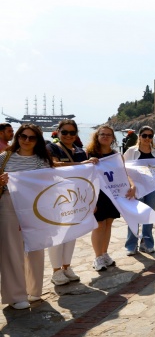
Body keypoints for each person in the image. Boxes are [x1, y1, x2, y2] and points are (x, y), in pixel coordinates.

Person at [0, 124, 53, 309]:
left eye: (32, 137)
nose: (27, 140)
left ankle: (34, 290)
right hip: (8, 205)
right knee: (11, 251)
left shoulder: (41, 161)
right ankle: (16, 295)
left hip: (34, 206)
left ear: (38, 140)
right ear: (17, 137)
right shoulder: (4, 158)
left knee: (35, 248)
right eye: (23, 136)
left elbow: (49, 184)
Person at [47, 119, 98, 285]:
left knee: (71, 234)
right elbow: (53, 166)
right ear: (58, 132)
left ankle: (67, 266)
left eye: (72, 133)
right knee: (57, 234)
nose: (68, 136)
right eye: (65, 132)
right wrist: (80, 164)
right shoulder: (52, 147)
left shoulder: (80, 151)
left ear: (76, 134)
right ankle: (56, 271)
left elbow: (86, 178)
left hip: (76, 198)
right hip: (57, 197)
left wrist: (91, 201)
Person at [86, 125, 136, 271]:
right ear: (97, 136)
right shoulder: (90, 154)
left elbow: (124, 173)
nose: (105, 137)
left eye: (109, 135)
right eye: (102, 134)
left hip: (113, 194)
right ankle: (97, 257)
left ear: (113, 138)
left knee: (108, 224)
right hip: (98, 195)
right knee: (99, 225)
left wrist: (132, 186)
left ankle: (104, 253)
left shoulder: (116, 155)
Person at [123, 126, 155, 255]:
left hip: (151, 188)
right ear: (139, 136)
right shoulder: (131, 151)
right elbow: (122, 168)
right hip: (136, 188)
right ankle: (131, 245)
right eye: (144, 135)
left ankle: (147, 243)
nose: (147, 138)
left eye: (150, 136)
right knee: (134, 216)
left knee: (148, 216)